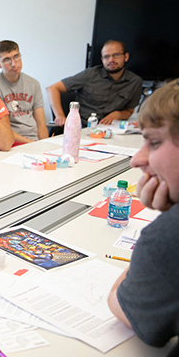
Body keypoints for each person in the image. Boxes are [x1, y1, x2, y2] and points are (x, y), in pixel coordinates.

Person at [107, 79, 179, 349]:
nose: (136, 159)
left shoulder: (170, 235)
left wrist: (167, 219)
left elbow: (121, 303)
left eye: (155, 143)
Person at [47, 40, 143, 126]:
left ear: (126, 57)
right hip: (83, 126)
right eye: (106, 57)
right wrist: (60, 116)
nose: (111, 60)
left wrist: (118, 114)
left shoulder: (135, 82)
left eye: (116, 55)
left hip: (111, 128)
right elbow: (52, 88)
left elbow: (129, 111)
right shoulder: (90, 74)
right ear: (102, 60)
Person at [0, 40, 48, 143]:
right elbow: (1, 129)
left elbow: (41, 124)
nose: (13, 64)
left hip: (34, 140)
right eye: (7, 60)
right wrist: (31, 144)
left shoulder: (33, 84)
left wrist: (44, 145)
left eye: (16, 57)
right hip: (10, 142)